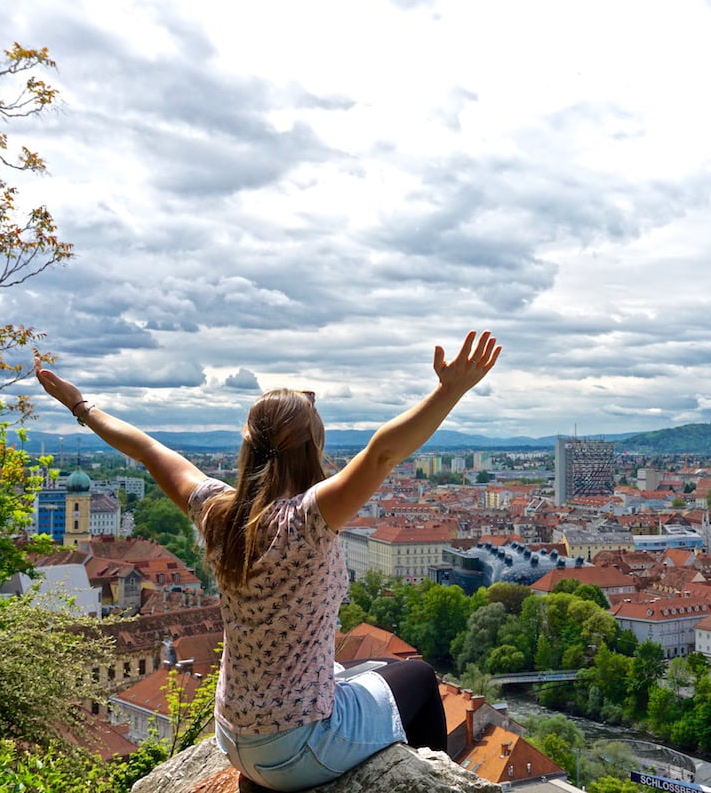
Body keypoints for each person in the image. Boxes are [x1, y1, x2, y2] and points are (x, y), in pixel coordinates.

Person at [36, 330, 501, 792]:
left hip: (234, 737)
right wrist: (449, 391)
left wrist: (81, 407)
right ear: (311, 447)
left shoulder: (218, 511)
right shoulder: (309, 518)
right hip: (298, 745)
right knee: (418, 678)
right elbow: (382, 452)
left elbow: (147, 449)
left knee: (363, 670)